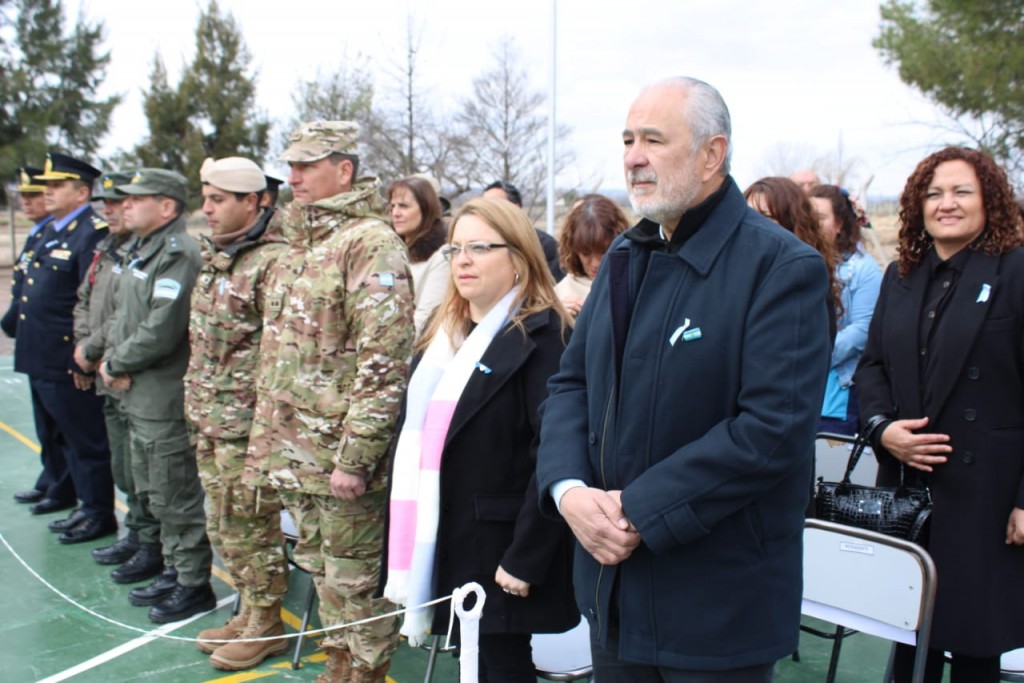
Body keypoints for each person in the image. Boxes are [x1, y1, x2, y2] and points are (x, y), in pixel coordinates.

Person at [536, 77, 830, 681]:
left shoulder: (781, 267)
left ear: (711, 154)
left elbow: (772, 430)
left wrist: (635, 511)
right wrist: (568, 492)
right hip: (611, 594)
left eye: (652, 139)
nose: (633, 156)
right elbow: (571, 386)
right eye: (627, 140)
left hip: (715, 608)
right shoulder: (623, 257)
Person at [244, 120, 415, 683]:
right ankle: (338, 668)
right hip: (297, 453)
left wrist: (356, 457)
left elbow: (383, 361)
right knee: (320, 569)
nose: (292, 177)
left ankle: (365, 673)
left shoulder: (369, 241)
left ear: (344, 170)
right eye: (289, 165)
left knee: (355, 580)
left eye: (306, 166)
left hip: (339, 458)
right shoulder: (299, 241)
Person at [382, 198, 579, 682]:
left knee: (502, 666)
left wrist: (526, 557)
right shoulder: (446, 334)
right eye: (455, 249)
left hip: (503, 547)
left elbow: (553, 457)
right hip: (454, 535)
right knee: (474, 664)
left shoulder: (546, 338)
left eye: (479, 247)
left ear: (518, 258)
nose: (463, 260)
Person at [855, 147, 1024, 683]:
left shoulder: (1017, 270)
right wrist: (884, 431)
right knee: (908, 635)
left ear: (989, 202)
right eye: (933, 194)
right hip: (909, 490)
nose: (945, 204)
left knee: (976, 644)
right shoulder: (899, 276)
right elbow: (871, 368)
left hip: (989, 495)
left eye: (961, 192)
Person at [185, 156, 290, 670]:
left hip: (248, 427)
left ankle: (267, 622)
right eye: (206, 198)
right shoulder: (220, 256)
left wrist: (265, 435)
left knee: (252, 524)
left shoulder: (272, 263)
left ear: (254, 201)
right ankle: (249, 610)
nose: (207, 208)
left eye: (219, 199)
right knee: (224, 523)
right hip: (211, 419)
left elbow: (279, 358)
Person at [99, 168, 214, 623]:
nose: (125, 205)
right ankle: (171, 566)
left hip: (161, 394)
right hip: (138, 392)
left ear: (166, 207)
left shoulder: (177, 253)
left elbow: (162, 329)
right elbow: (124, 316)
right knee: (149, 486)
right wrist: (112, 360)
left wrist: (117, 362)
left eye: (136, 198)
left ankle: (191, 582)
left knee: (173, 491)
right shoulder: (142, 250)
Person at [16, 153, 117, 544]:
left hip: (66, 355)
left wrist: (83, 355)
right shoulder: (50, 230)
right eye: (47, 186)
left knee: (85, 440)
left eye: (56, 186)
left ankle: (97, 512)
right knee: (55, 434)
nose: (47, 193)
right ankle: (73, 498)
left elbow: (88, 301)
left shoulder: (90, 231)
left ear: (82, 192)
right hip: (40, 352)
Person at [72, 170, 162, 569]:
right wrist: (83, 348)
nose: (111, 210)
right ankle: (139, 536)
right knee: (124, 467)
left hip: (126, 372)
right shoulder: (109, 250)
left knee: (146, 473)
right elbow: (86, 302)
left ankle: (151, 545)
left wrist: (96, 352)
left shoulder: (143, 255)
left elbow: (127, 317)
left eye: (119, 202)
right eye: (106, 204)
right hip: (107, 371)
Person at [5, 166, 63, 507]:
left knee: (65, 428)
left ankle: (62, 488)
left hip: (54, 344)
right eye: (23, 196)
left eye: (34, 195)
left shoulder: (60, 234)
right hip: (35, 341)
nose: (27, 203)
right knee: (46, 423)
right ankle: (51, 479)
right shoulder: (40, 234)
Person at [809, 184, 882, 435]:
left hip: (838, 391)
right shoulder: (800, 262)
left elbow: (862, 331)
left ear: (840, 223)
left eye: (820, 218)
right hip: (799, 390)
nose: (812, 224)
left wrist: (810, 357)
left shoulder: (864, 270)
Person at [744, 176, 842, 343]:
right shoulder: (735, 274)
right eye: (749, 216)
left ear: (792, 223)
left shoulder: (803, 280)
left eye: (766, 217)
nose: (753, 226)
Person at [387, 175, 449, 335]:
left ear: (426, 208)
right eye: (392, 206)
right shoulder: (389, 250)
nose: (395, 213)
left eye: (404, 206)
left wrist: (383, 345)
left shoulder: (441, 256)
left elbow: (426, 319)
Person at [554, 193, 629, 318]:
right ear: (574, 250)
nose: (595, 263)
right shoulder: (561, 294)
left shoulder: (636, 284)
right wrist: (557, 316)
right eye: (585, 253)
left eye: (604, 252)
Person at [483, 179, 564, 281]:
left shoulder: (544, 245)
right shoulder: (479, 244)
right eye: (484, 206)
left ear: (516, 207)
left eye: (495, 206)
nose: (487, 212)